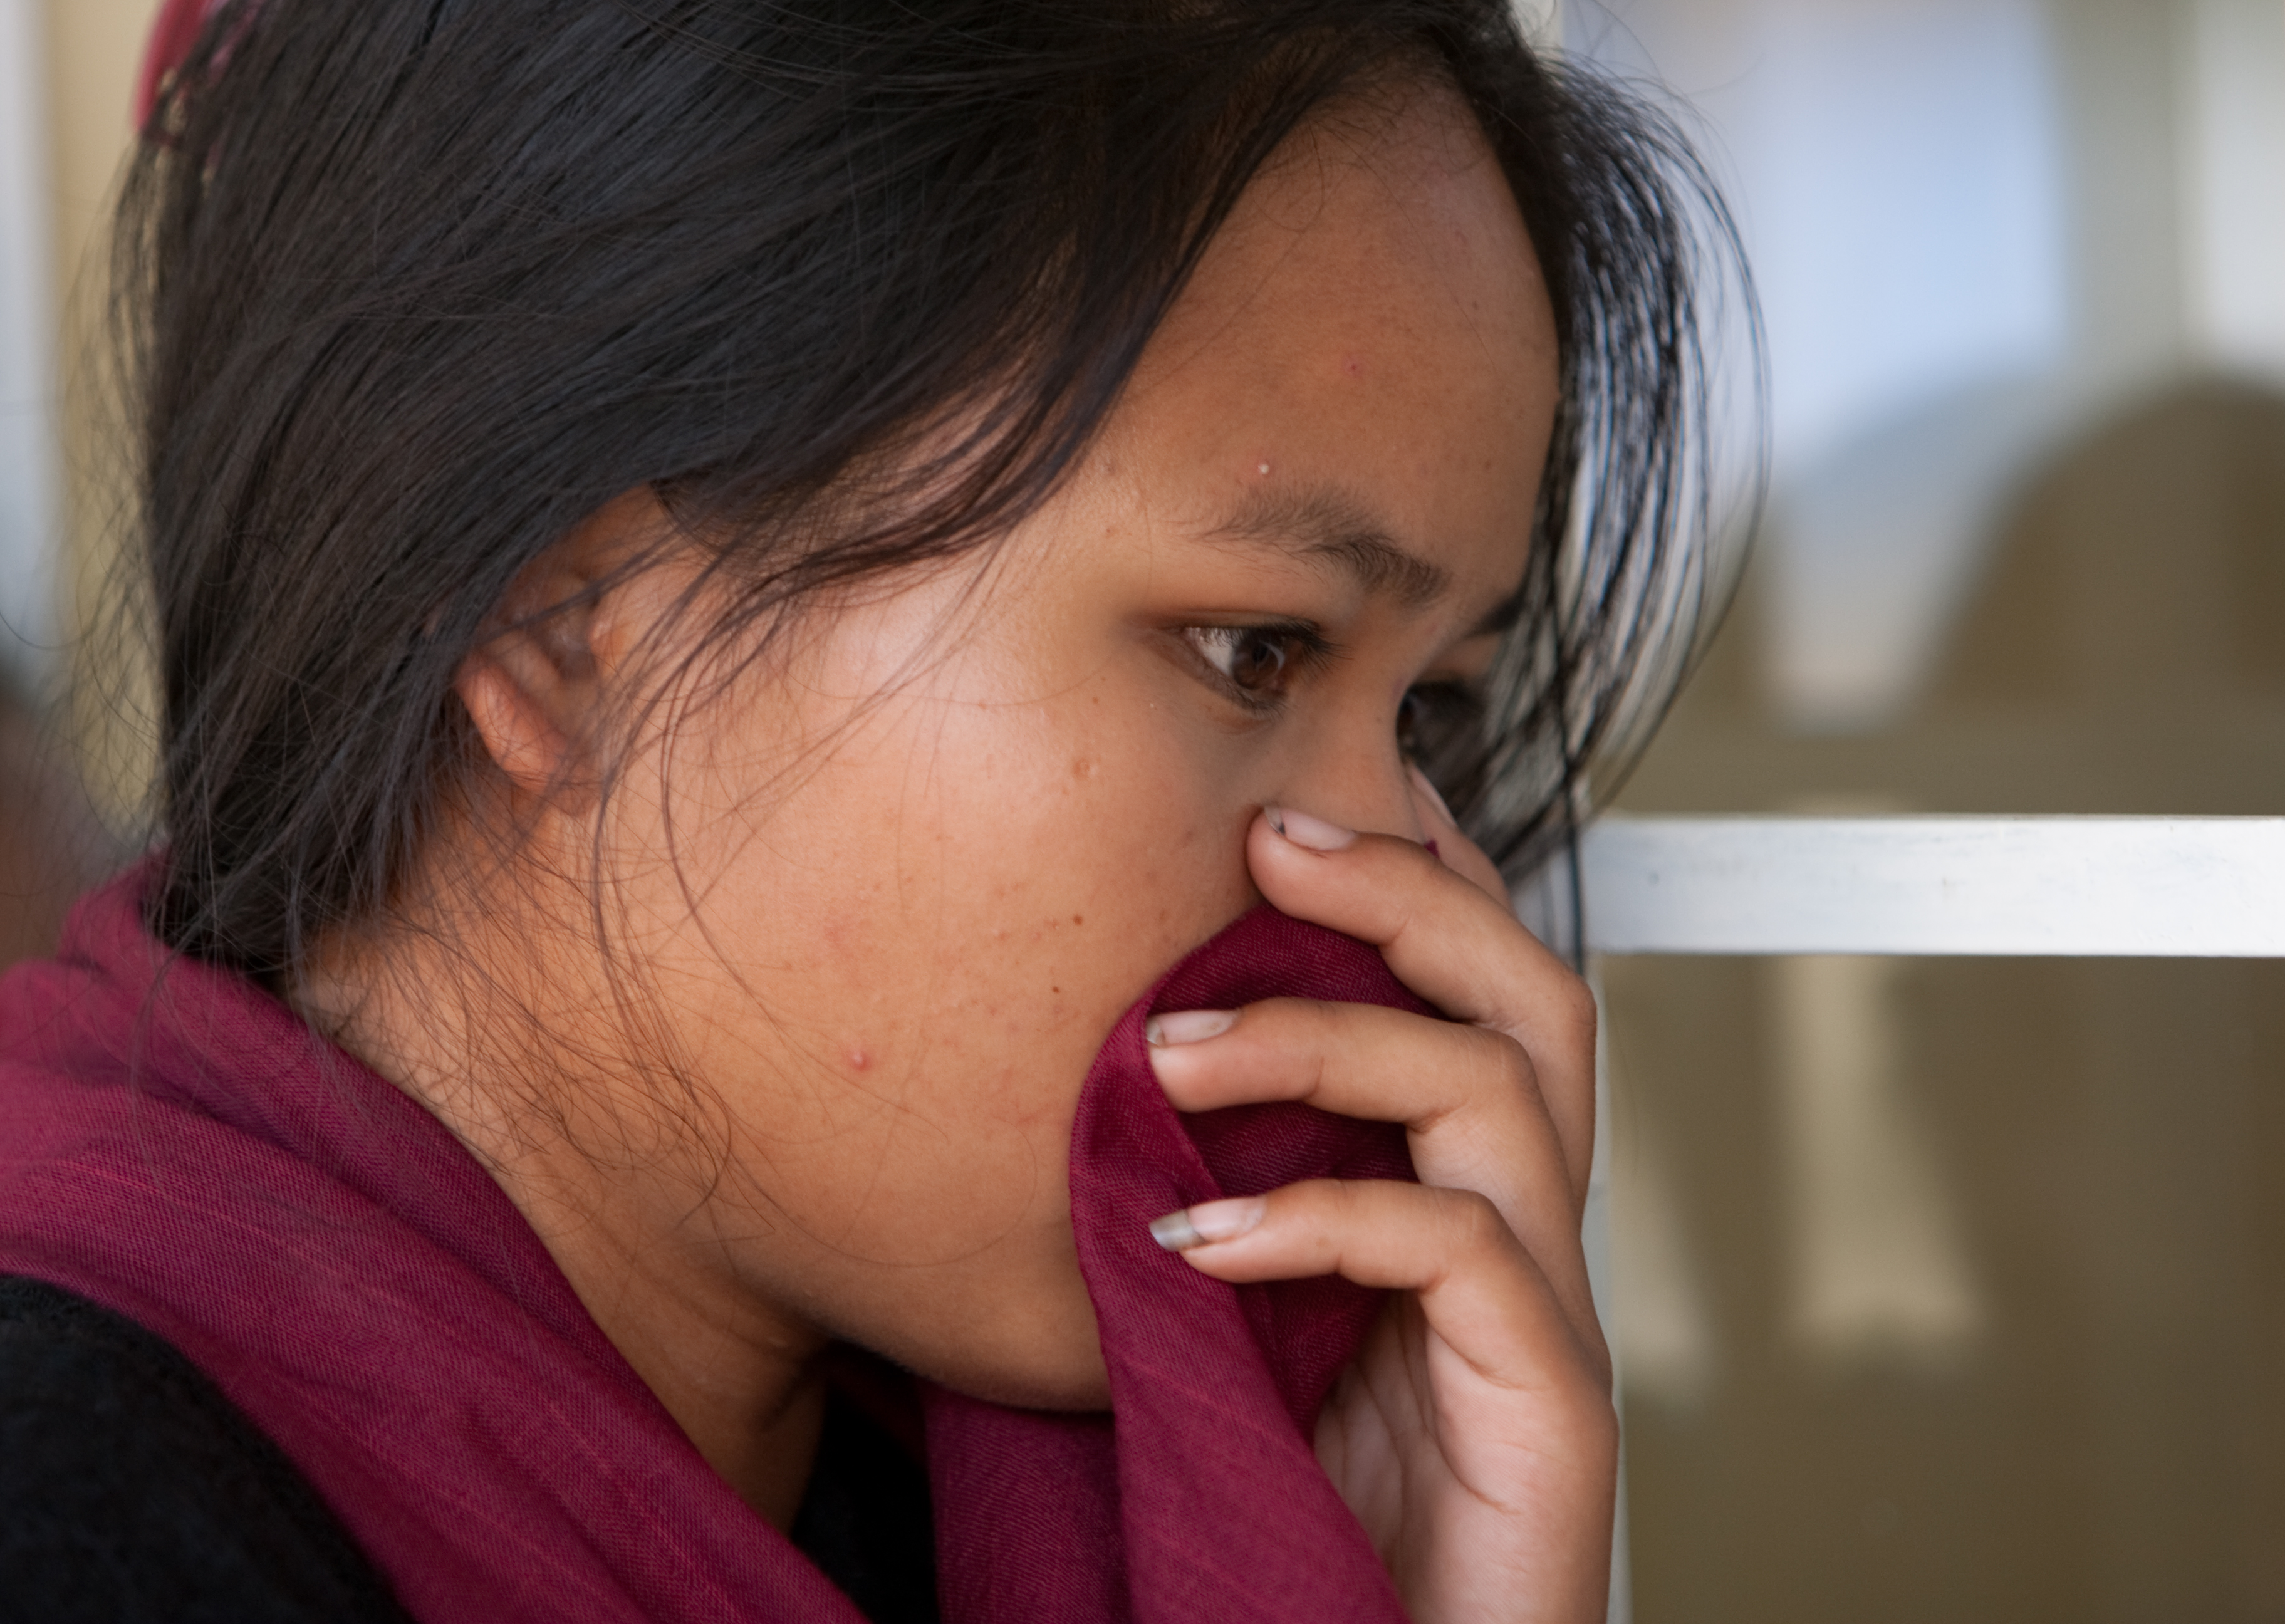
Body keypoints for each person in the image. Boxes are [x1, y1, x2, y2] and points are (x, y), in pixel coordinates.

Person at [0, 2, 1747, 1620]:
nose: (1400, 879)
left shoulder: (974, 1495)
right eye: (1254, 651)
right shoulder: (79, 1511)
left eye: (1432, 707)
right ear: (556, 628)